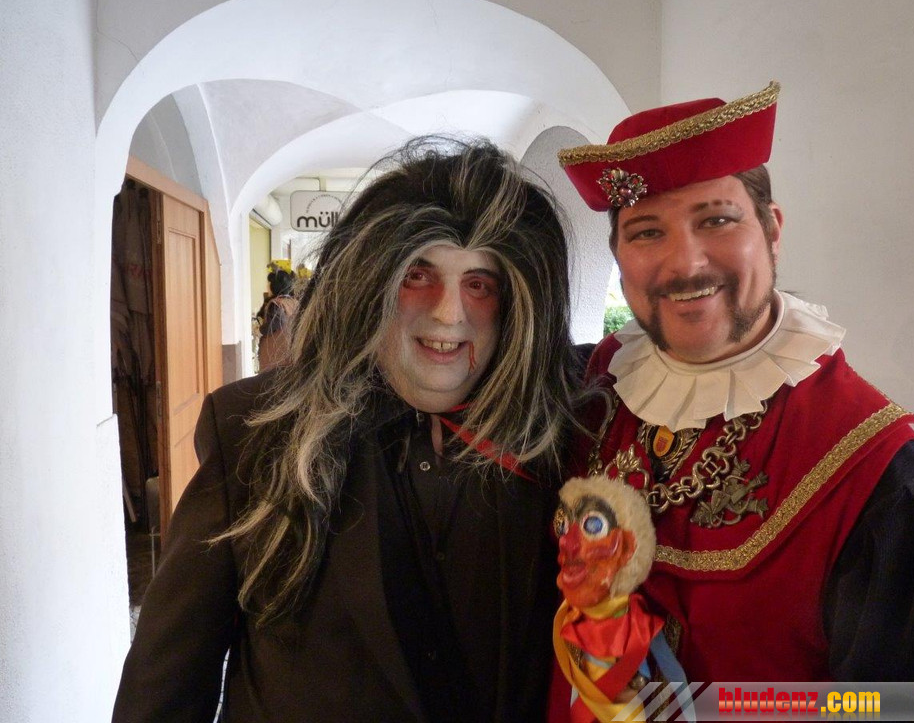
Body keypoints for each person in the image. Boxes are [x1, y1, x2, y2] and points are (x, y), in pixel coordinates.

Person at [547, 80, 914, 699]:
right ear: (617, 255)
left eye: (716, 220)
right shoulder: (593, 389)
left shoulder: (890, 491)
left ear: (772, 230)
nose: (685, 263)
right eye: (645, 232)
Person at [113, 138, 582, 722]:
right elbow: (165, 687)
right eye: (418, 274)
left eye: (479, 283)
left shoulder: (563, 441)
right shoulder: (253, 431)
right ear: (368, 285)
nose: (448, 313)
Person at [256, 266, 299, 372]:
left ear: (274, 286)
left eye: (269, 284)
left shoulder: (276, 304)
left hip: (276, 353)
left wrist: (259, 330)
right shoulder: (295, 302)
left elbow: (275, 324)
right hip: (291, 351)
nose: (267, 286)